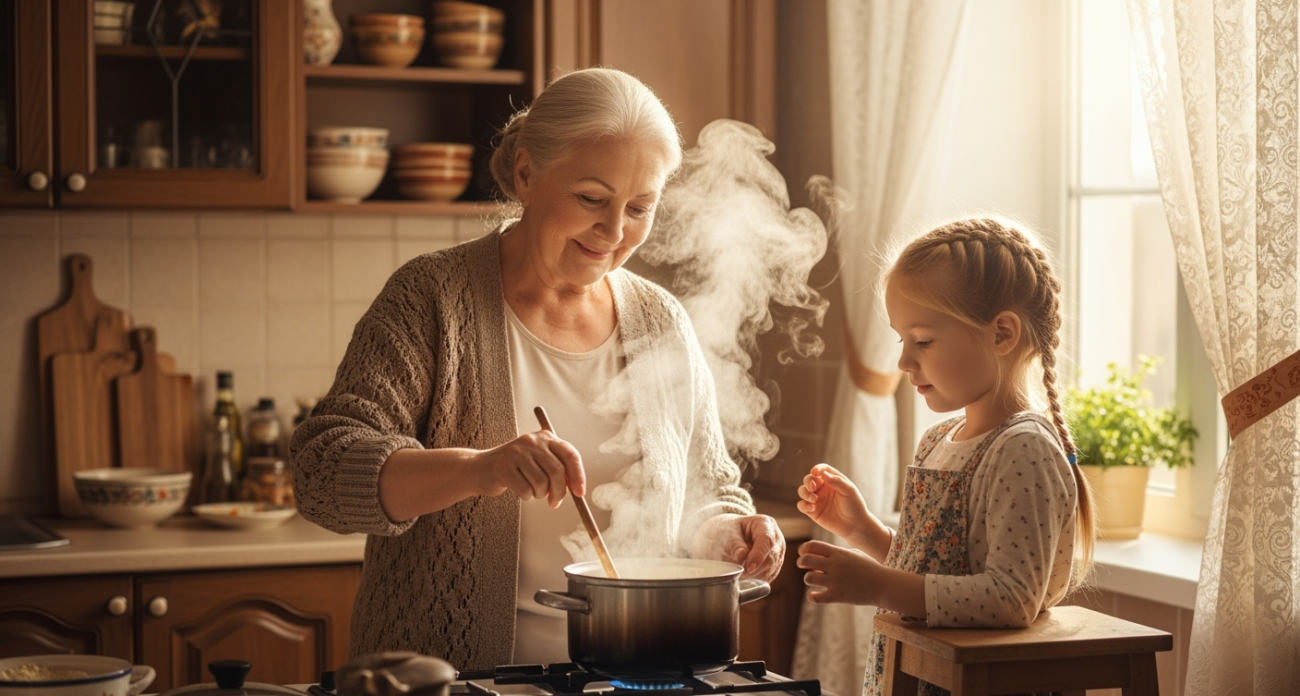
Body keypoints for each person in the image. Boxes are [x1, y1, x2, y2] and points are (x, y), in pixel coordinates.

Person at [290, 67, 785, 671]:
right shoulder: (432, 298)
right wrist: (482, 468)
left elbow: (706, 490)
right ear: (526, 173)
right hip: (455, 678)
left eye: (639, 207)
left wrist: (732, 531)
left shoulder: (660, 320)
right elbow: (322, 471)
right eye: (591, 199)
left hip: (626, 673)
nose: (614, 231)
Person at [795, 217, 1096, 696]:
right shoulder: (938, 440)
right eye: (901, 340)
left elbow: (1008, 599)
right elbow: (938, 568)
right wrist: (863, 530)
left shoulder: (1024, 448)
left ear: (1001, 334)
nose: (904, 362)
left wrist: (877, 587)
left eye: (924, 341)